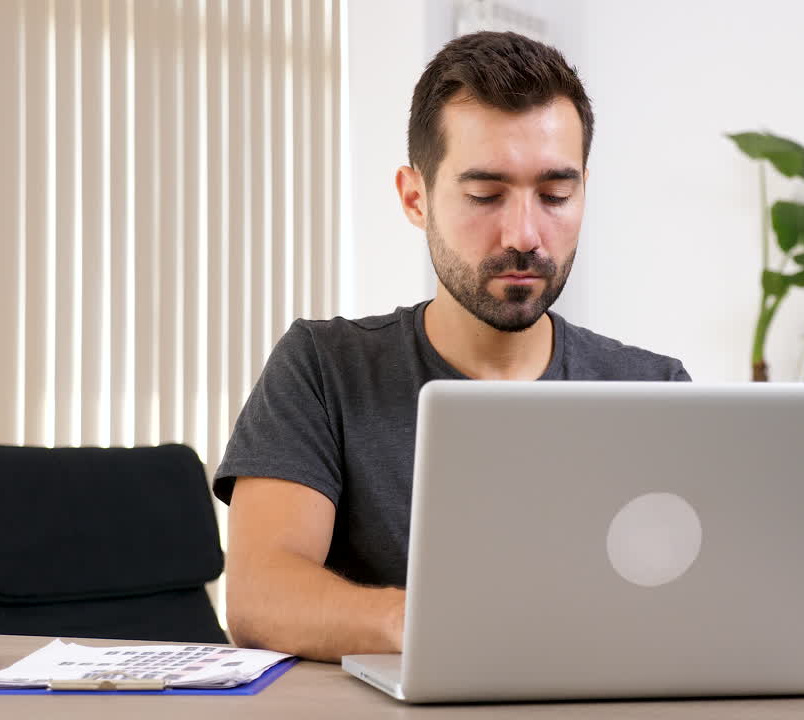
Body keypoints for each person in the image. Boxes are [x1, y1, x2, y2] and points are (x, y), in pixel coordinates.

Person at [215, 31, 690, 663]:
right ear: (416, 198)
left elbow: (694, 602)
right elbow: (260, 597)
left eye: (555, 195)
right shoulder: (324, 367)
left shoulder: (654, 391)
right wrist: (435, 626)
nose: (525, 234)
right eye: (484, 195)